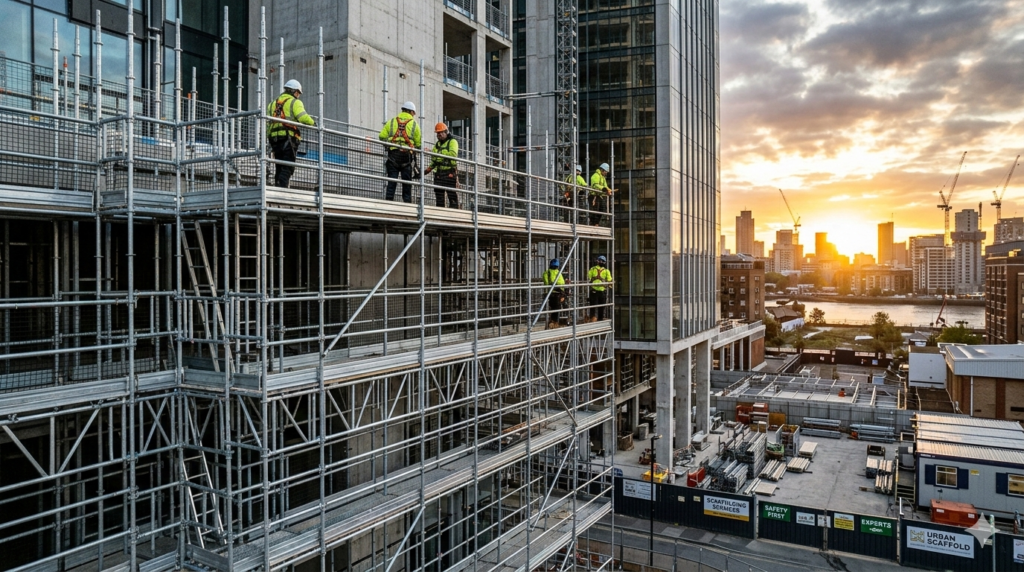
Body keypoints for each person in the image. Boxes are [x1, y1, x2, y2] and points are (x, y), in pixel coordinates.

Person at [266, 79, 315, 188]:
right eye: (298, 93)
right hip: (288, 138)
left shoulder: (272, 104)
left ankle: (278, 187)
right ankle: (283, 189)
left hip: (274, 139)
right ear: (295, 92)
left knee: (279, 166)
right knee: (288, 166)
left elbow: (267, 123)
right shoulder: (295, 102)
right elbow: (303, 117)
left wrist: (269, 137)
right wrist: (314, 123)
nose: (298, 96)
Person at [379, 101, 422, 203]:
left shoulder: (392, 121)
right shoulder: (414, 124)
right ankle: (407, 205)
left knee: (392, 182)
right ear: (411, 112)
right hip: (406, 157)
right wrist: (412, 146)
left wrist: (390, 143)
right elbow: (419, 143)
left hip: (393, 156)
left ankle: (388, 203)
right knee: (407, 184)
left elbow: (381, 136)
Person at [424, 122, 459, 208]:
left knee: (452, 195)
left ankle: (454, 212)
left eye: (440, 133)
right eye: (437, 133)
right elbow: (434, 159)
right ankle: (439, 212)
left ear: (446, 132)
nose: (438, 135)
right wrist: (427, 170)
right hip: (439, 173)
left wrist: (438, 154)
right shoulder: (437, 144)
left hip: (449, 172)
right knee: (439, 196)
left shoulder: (452, 142)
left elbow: (453, 154)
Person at [543, 258, 568, 329]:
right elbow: (562, 283)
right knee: (557, 308)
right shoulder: (558, 273)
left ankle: (554, 322)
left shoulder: (546, 273)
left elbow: (546, 283)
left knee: (554, 308)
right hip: (557, 294)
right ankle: (555, 322)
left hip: (551, 294)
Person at [587, 255, 612, 322]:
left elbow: (588, 278)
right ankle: (600, 319)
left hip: (594, 290)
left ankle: (592, 318)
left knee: (593, 306)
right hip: (601, 291)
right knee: (601, 306)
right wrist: (609, 285)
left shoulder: (592, 269)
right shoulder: (606, 271)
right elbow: (609, 280)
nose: (601, 262)